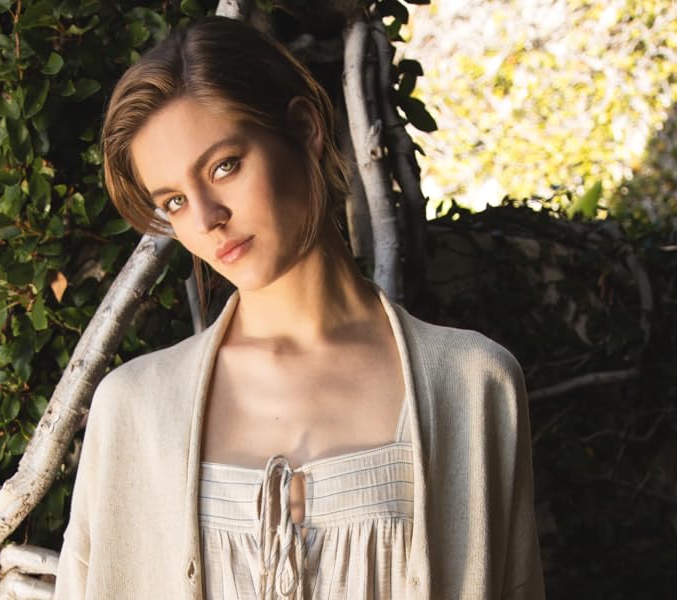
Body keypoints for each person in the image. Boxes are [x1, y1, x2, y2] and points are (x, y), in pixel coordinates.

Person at [53, 16, 545, 600]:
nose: (208, 218)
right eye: (176, 201)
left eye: (224, 166)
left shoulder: (472, 384)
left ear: (305, 129)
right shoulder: (132, 409)